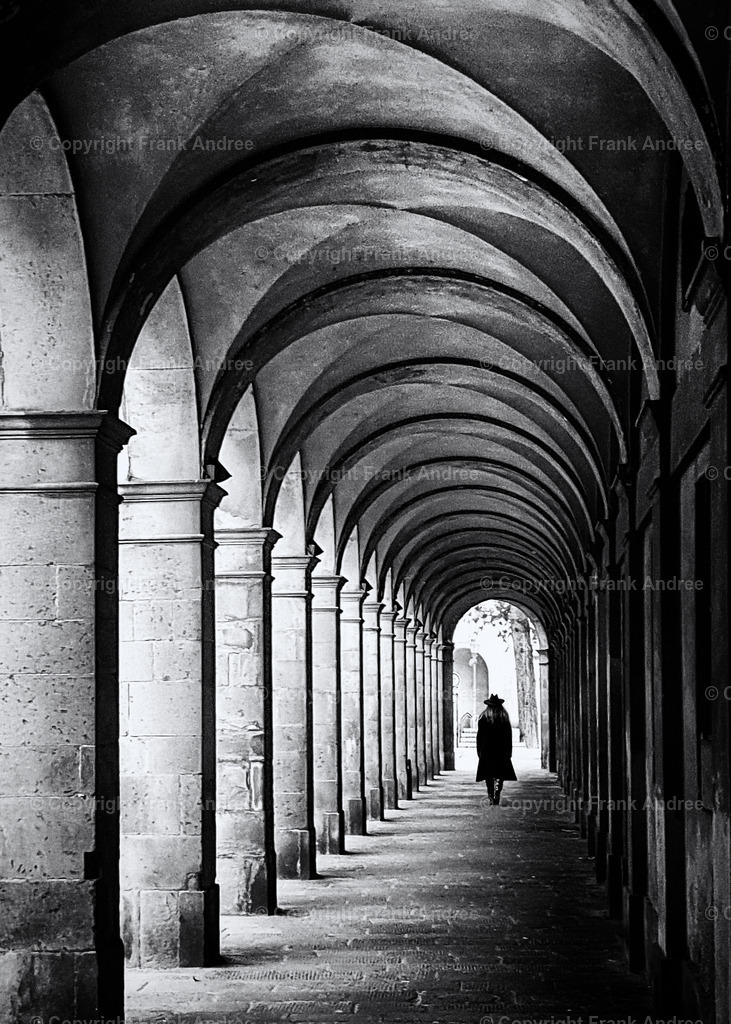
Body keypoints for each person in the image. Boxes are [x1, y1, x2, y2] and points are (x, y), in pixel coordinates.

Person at [476, 694, 517, 805]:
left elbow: (479, 737)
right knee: (500, 774)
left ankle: (490, 794)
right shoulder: (504, 718)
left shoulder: (483, 718)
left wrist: (479, 751)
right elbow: (508, 736)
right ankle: (497, 793)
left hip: (487, 751)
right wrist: (509, 751)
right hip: (501, 751)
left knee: (488, 774)